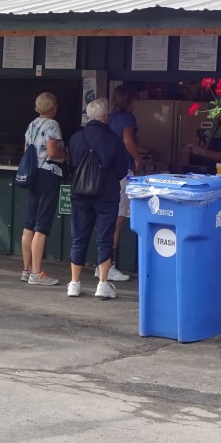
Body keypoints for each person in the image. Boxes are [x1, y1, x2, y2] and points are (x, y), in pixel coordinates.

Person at [66, 98, 130, 299]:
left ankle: (74, 283)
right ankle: (102, 283)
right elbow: (122, 170)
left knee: (78, 238)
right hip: (107, 196)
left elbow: (71, 165)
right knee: (104, 238)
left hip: (80, 194)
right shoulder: (113, 140)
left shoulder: (76, 138)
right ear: (105, 117)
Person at [19, 92, 65, 287]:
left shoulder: (32, 125)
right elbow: (53, 151)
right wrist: (66, 155)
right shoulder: (52, 125)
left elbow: (26, 150)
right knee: (42, 223)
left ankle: (27, 269)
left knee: (29, 223)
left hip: (32, 175)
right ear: (53, 107)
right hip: (48, 174)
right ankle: (37, 273)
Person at [105, 85, 147, 282]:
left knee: (111, 218)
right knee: (119, 219)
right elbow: (128, 140)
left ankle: (103, 263)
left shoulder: (111, 117)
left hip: (110, 172)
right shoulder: (128, 118)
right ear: (130, 100)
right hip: (123, 173)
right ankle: (107, 265)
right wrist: (138, 159)